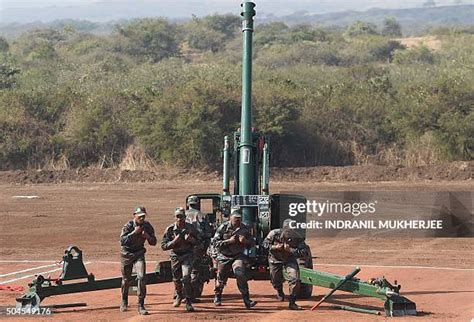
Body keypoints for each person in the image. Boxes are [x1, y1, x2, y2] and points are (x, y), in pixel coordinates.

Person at [211, 209, 257, 309]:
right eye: (236, 219)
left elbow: (253, 243)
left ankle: (247, 300)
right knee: (221, 278)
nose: (238, 221)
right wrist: (229, 241)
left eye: (239, 219)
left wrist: (245, 241)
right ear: (230, 219)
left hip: (238, 256)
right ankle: (218, 296)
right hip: (224, 256)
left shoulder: (244, 228)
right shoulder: (223, 227)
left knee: (240, 273)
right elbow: (215, 243)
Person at [161, 207, 200, 312]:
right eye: (177, 217)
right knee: (177, 279)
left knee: (186, 277)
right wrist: (173, 242)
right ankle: (178, 295)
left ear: (185, 217)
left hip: (187, 255)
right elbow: (163, 246)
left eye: (181, 217)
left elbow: (199, 241)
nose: (179, 219)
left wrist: (191, 240)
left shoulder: (191, 228)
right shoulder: (170, 230)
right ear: (174, 217)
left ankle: (188, 301)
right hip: (175, 256)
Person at [119, 206, 157, 315]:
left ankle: (141, 305)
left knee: (141, 277)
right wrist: (134, 233)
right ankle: (124, 300)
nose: (142, 218)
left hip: (139, 253)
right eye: (140, 216)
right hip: (127, 254)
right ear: (134, 215)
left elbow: (154, 242)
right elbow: (123, 241)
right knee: (126, 279)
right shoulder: (128, 226)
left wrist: (148, 237)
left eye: (143, 216)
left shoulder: (147, 226)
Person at [263, 219, 307, 310]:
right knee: (275, 280)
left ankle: (292, 302)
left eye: (292, 230)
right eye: (289, 230)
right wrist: (274, 247)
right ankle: (279, 290)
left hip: (289, 260)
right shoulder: (274, 234)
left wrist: (291, 250)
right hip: (275, 259)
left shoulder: (298, 238)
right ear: (284, 229)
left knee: (295, 279)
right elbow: (264, 245)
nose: (291, 232)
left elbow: (303, 252)